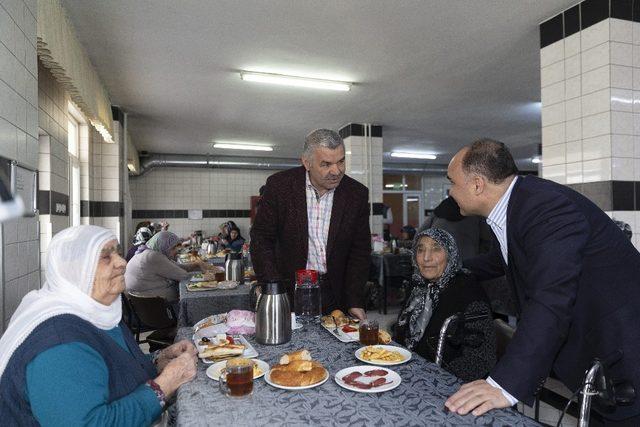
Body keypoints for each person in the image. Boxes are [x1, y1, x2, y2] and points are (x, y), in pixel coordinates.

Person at [444, 139, 640, 425]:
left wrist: (503, 385)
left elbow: (550, 298)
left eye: (452, 181)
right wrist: (451, 269)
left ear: (476, 185)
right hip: (599, 346)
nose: (450, 192)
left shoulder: (546, 209)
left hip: (624, 348)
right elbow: (507, 259)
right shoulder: (517, 205)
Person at [0, 225, 197, 425]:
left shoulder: (97, 312)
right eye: (106, 257)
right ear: (77, 270)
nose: (122, 262)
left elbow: (105, 365)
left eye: (119, 254)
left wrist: (158, 360)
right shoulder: (58, 344)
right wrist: (165, 384)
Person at [250, 129, 371, 319]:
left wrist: (355, 300)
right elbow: (261, 239)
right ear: (306, 163)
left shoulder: (357, 194)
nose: (336, 171)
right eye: (326, 164)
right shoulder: (280, 186)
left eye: (341, 161)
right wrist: (271, 287)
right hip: (288, 289)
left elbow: (360, 251)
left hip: (335, 293)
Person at [395, 227, 495, 382]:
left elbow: (480, 359)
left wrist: (434, 379)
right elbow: (401, 336)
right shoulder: (418, 287)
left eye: (436, 249)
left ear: (450, 255)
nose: (426, 258)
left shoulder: (468, 292)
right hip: (407, 372)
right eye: (420, 250)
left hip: (448, 383)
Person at [125, 231, 212, 302]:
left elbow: (179, 268)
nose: (176, 251)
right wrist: (206, 277)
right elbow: (183, 276)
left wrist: (198, 264)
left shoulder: (148, 252)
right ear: (163, 246)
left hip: (142, 305)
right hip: (156, 308)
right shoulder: (153, 256)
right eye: (173, 248)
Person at [423, 196, 493, 260]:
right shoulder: (475, 214)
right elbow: (487, 240)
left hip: (441, 260)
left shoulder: (438, 213)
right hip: (469, 260)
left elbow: (421, 234)